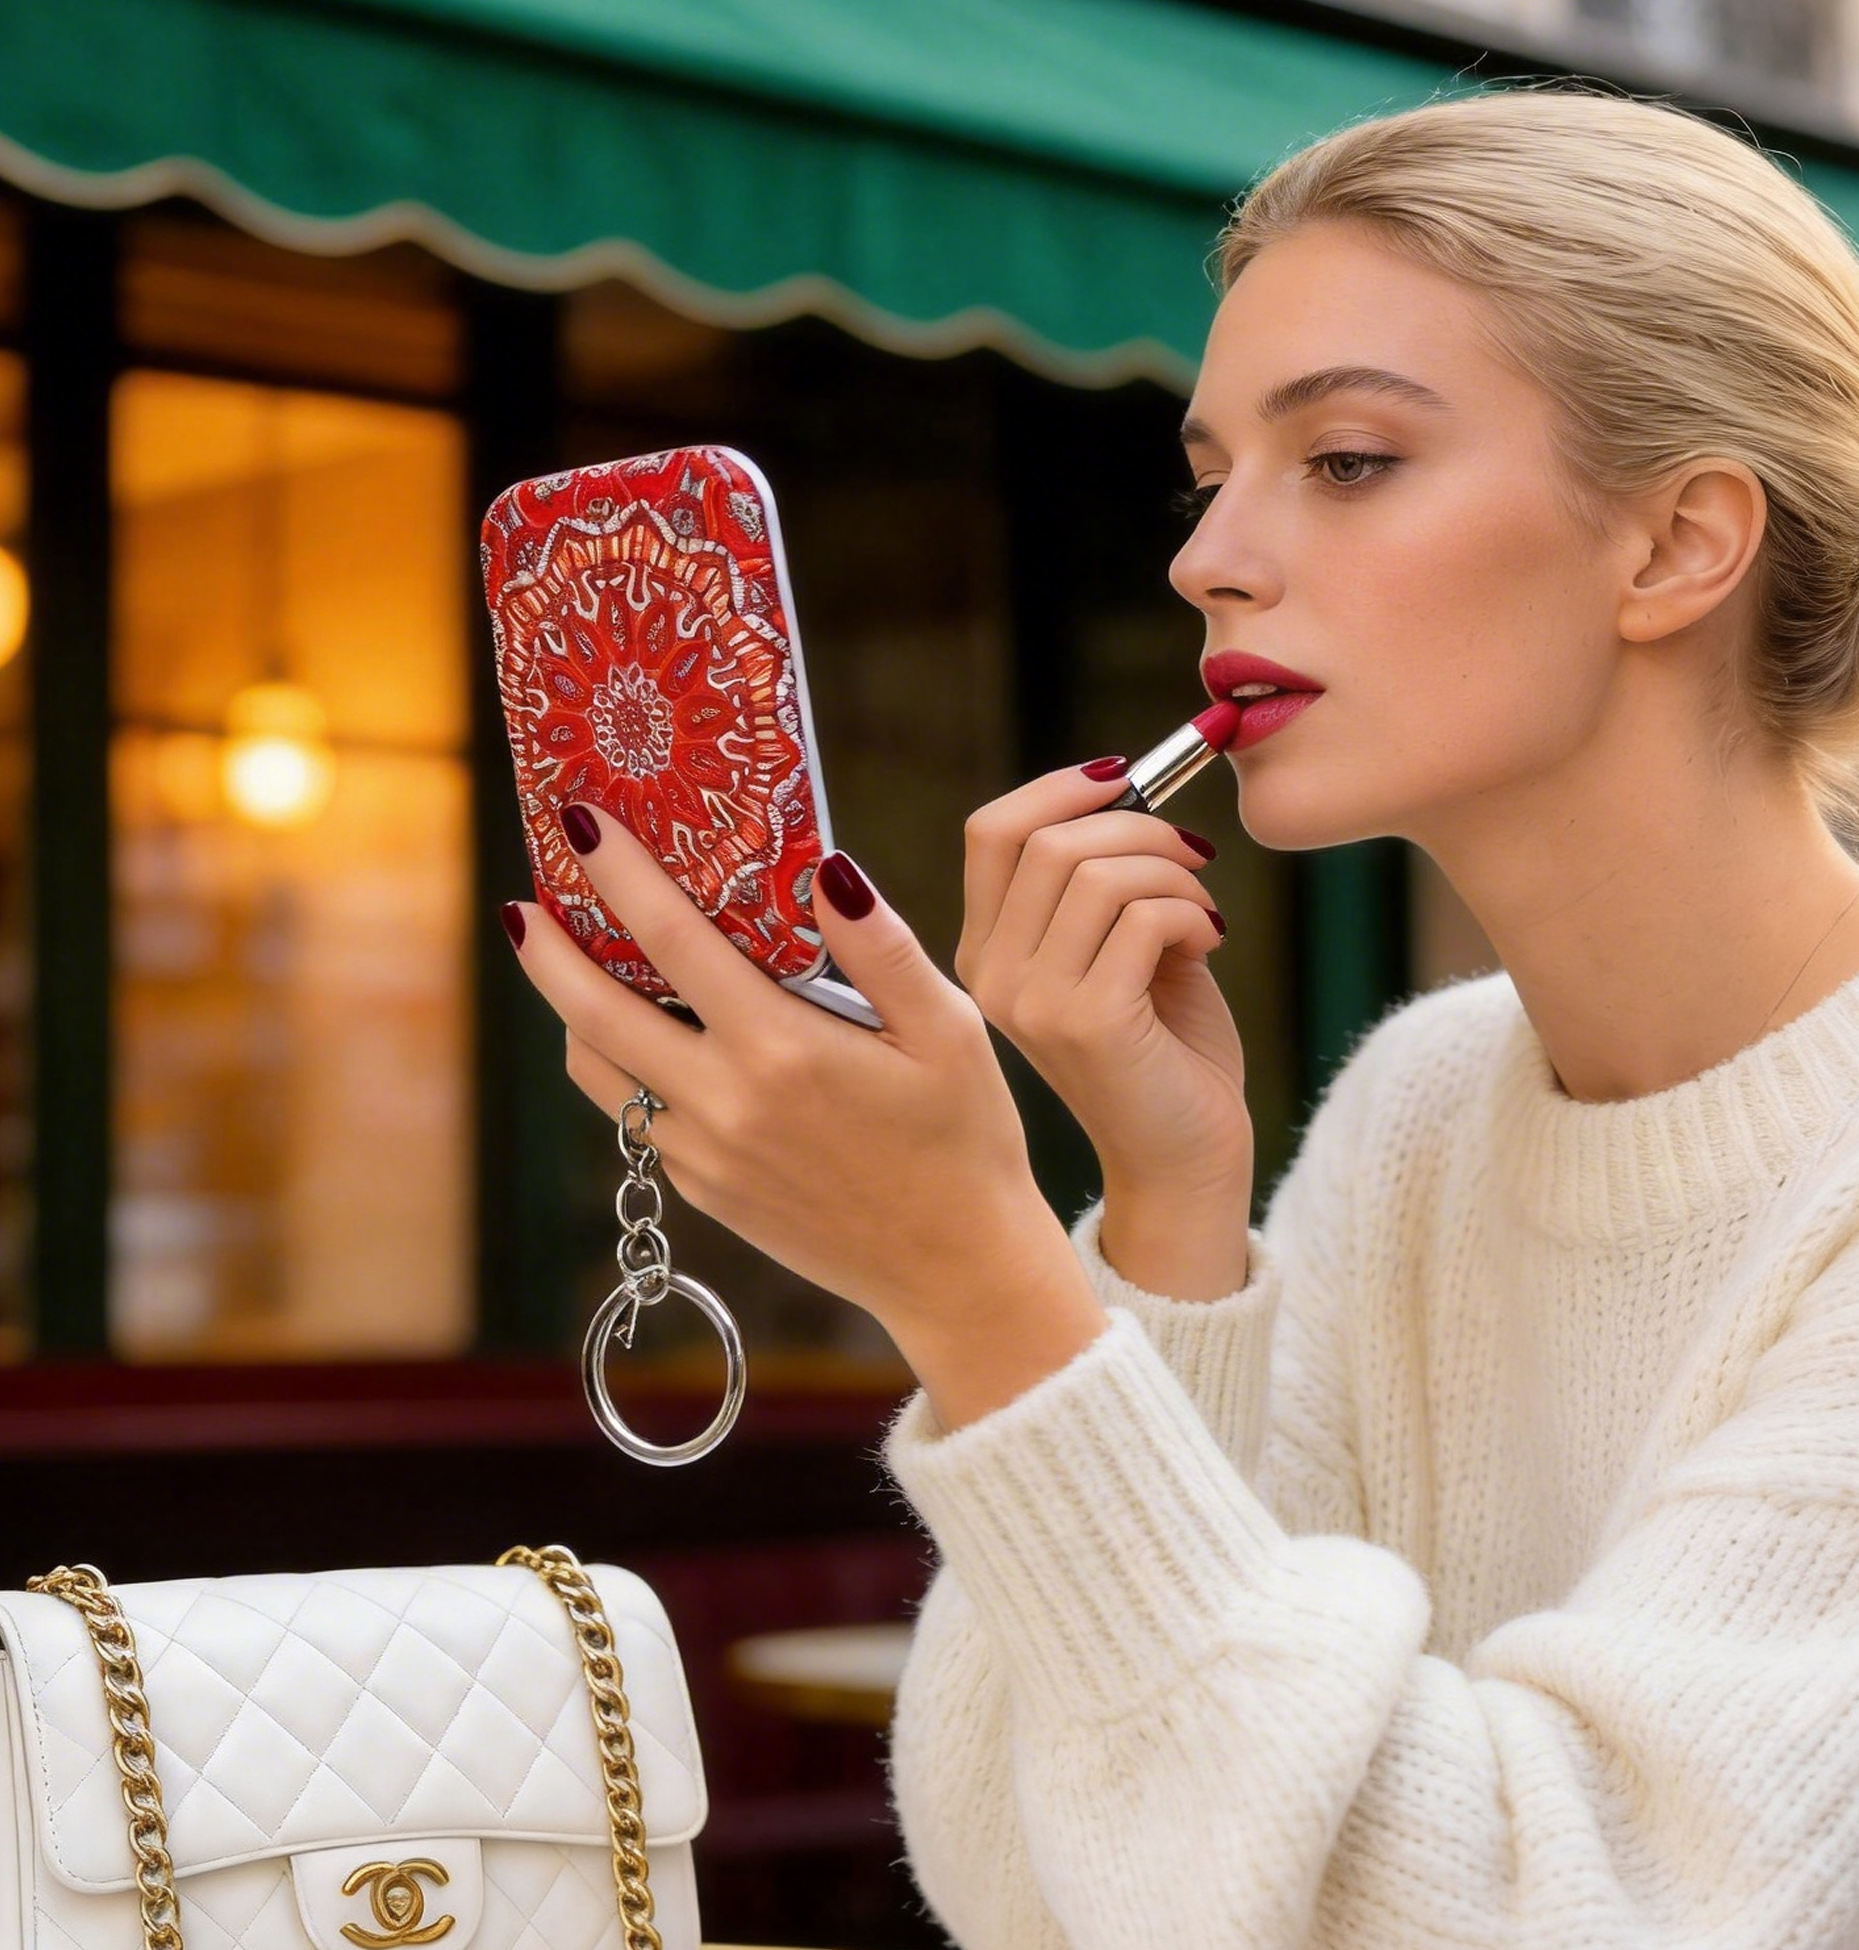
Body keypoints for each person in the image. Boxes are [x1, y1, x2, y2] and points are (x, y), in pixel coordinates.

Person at [502, 82, 1859, 1947]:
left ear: (1676, 542)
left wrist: (980, 1290)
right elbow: (1030, 1887)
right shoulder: (1419, 1110)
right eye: (1206, 472)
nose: (1205, 555)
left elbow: (1573, 1903)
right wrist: (1161, 1223)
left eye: (1349, 459)